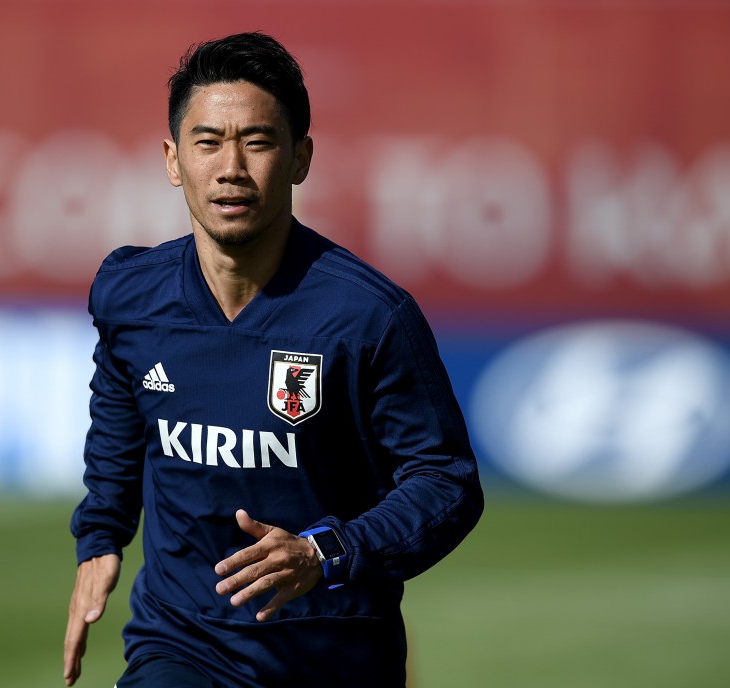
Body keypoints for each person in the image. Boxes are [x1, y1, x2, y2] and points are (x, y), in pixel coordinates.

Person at [62, 31, 483, 688]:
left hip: (334, 655)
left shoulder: (369, 316)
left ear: (299, 158)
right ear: (174, 161)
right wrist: (101, 535)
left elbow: (446, 485)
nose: (231, 166)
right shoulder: (129, 291)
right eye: (207, 143)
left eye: (257, 141)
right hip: (182, 643)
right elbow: (120, 406)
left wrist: (325, 553)